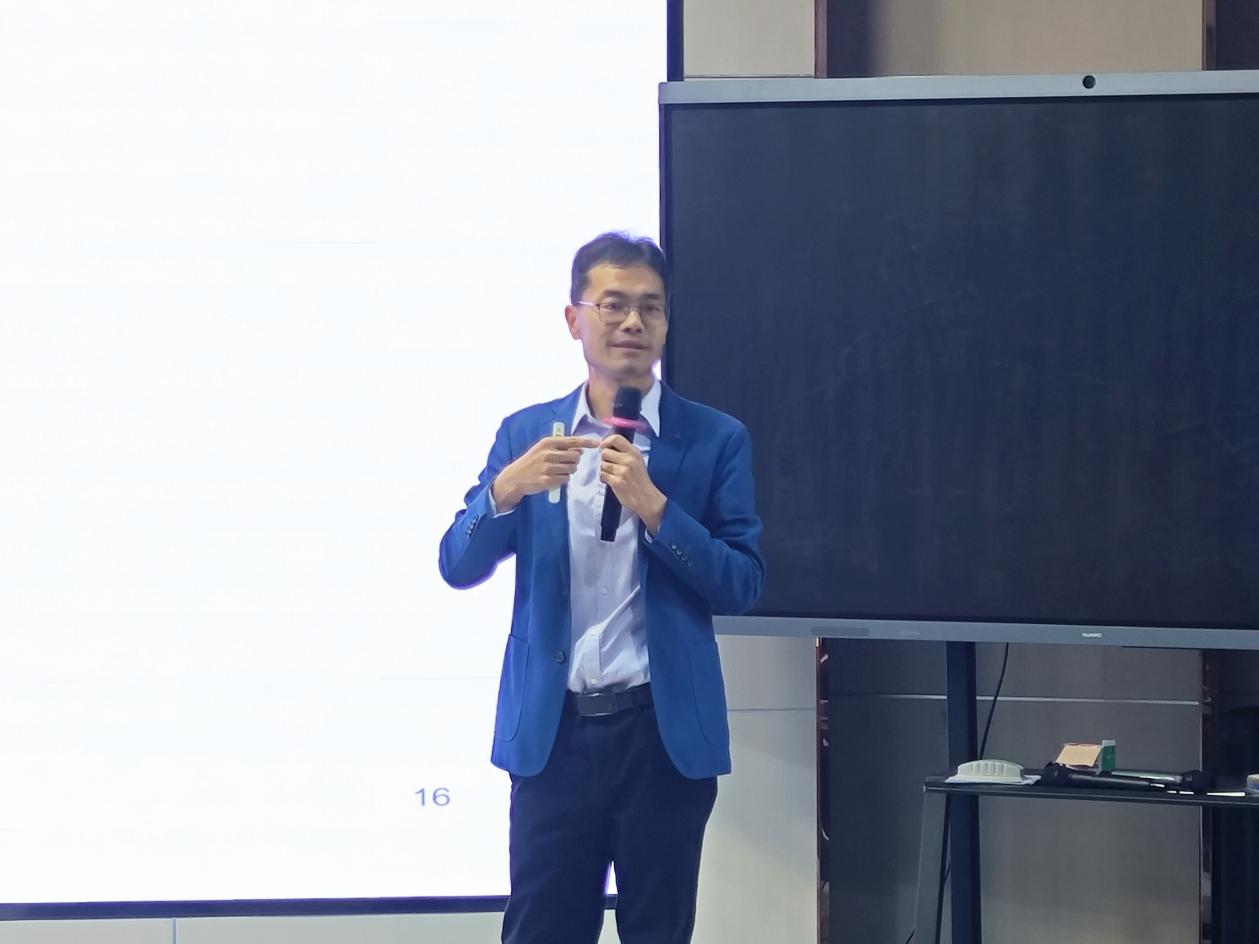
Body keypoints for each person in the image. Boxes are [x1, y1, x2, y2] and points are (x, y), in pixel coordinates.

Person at [438, 232, 764, 944]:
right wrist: (503, 491)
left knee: (659, 932)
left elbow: (742, 583)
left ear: (667, 322)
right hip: (555, 737)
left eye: (651, 307)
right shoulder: (527, 433)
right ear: (574, 319)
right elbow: (456, 564)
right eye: (612, 304)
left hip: (660, 736)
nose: (632, 322)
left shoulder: (714, 439)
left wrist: (658, 510)